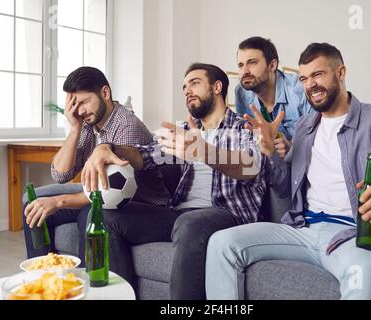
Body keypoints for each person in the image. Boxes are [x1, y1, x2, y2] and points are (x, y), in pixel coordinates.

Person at [205, 43, 371, 300]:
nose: (310, 85)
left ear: (341, 72)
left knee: (365, 274)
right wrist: (270, 153)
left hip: (354, 235)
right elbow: (283, 187)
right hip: (302, 229)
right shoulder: (304, 127)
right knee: (222, 244)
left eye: (318, 75)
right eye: (303, 78)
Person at [80, 63, 269, 299]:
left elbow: (250, 166)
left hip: (227, 215)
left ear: (217, 87)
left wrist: (204, 151)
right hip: (179, 215)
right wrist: (107, 147)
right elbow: (145, 155)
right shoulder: (183, 132)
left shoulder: (244, 128)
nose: (187, 90)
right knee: (105, 217)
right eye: (184, 87)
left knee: (189, 223)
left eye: (195, 83)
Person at [22, 66, 170, 262]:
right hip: (103, 193)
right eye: (75, 104)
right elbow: (60, 175)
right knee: (33, 204)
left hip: (139, 203)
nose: (80, 110)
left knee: (89, 213)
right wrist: (75, 128)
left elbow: (108, 191)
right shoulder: (87, 124)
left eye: (84, 101)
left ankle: (86, 286)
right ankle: (46, 277)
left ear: (105, 93)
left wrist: (58, 202)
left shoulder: (127, 126)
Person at [235, 36, 312, 156]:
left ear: (272, 65)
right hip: (269, 168)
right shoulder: (241, 92)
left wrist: (291, 149)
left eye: (252, 62)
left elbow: (319, 142)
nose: (244, 71)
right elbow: (247, 139)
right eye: (240, 65)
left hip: (304, 167)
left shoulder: (300, 89)